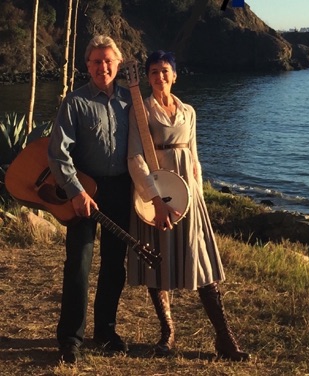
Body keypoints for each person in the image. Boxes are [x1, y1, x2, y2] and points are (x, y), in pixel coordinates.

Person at [127, 50, 250, 361]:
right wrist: (154, 199)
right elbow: (135, 158)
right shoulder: (140, 111)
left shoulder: (189, 111)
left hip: (189, 195)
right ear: (147, 76)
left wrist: (198, 196)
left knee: (202, 263)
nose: (159, 76)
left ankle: (224, 338)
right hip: (157, 196)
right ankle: (167, 333)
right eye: (153, 71)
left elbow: (194, 157)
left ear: (175, 75)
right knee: (158, 261)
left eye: (165, 70)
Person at [48, 35, 132, 363]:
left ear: (118, 64)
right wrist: (75, 191)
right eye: (96, 61)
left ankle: (106, 332)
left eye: (108, 61)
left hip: (121, 191)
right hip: (85, 192)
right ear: (88, 65)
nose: (103, 67)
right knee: (79, 265)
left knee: (114, 265)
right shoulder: (75, 102)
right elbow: (58, 152)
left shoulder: (131, 101)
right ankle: (71, 337)